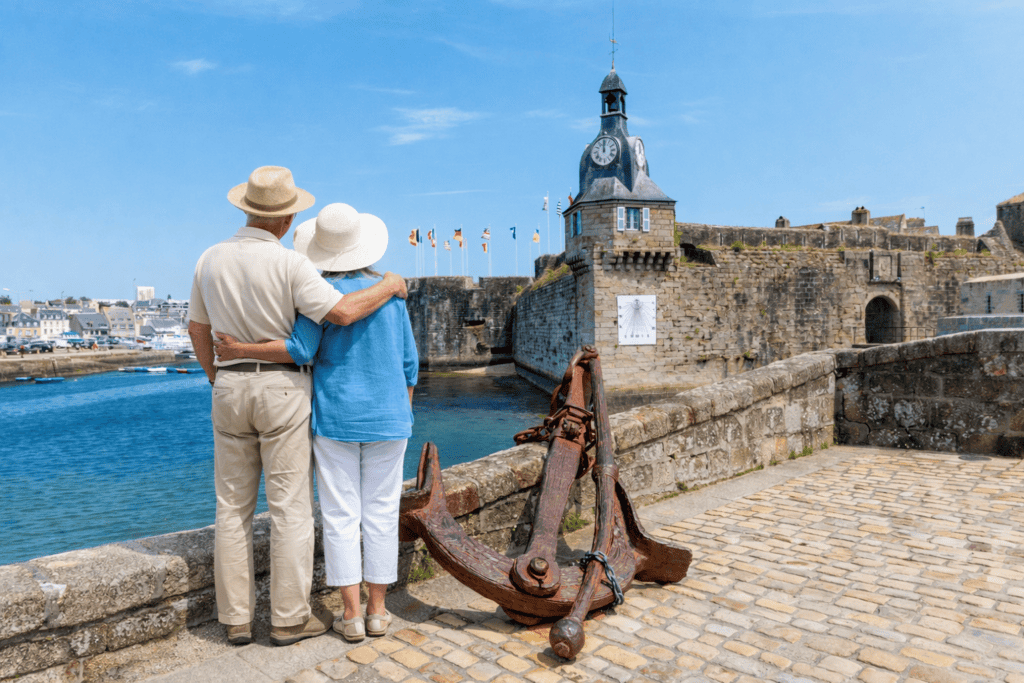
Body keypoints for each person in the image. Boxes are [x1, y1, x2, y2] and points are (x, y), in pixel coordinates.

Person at [187, 167, 407, 647]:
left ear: (245, 207)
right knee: (289, 509)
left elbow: (197, 330)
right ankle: (289, 619)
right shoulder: (291, 265)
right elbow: (343, 313)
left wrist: (216, 376)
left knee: (231, 509)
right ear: (286, 220)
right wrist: (391, 285)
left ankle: (237, 620)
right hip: (285, 392)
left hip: (228, 389)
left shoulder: (208, 258)